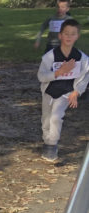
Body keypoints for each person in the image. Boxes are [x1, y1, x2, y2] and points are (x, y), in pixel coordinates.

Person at [37, 19, 89, 162]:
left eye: (73, 34)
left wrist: (76, 92)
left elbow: (85, 77)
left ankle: (51, 145)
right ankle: (47, 141)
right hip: (49, 92)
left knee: (56, 117)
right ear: (60, 35)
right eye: (66, 33)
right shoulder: (50, 56)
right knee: (46, 119)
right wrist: (59, 72)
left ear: (77, 36)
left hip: (66, 93)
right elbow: (41, 76)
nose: (69, 36)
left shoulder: (82, 58)